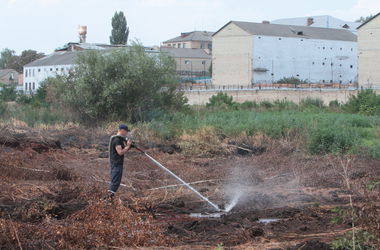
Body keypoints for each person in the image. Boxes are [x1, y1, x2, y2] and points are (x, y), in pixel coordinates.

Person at [107, 124, 133, 201]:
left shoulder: (119, 139)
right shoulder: (117, 140)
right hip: (116, 163)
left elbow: (123, 149)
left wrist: (129, 146)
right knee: (115, 181)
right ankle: (108, 199)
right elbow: (120, 152)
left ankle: (110, 198)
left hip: (117, 163)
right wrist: (128, 146)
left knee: (116, 181)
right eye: (126, 131)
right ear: (121, 130)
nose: (126, 133)